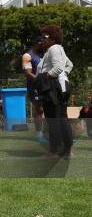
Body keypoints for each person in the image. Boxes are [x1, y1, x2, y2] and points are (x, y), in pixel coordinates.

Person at [36, 25, 73, 159]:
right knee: (61, 118)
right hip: (58, 87)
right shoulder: (57, 49)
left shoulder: (53, 49)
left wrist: (46, 77)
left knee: (54, 120)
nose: (42, 40)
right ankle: (67, 149)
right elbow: (69, 65)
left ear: (53, 38)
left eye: (45, 37)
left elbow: (58, 67)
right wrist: (64, 75)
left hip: (53, 88)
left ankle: (54, 151)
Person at [22, 38, 46, 142]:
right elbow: (28, 72)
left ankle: (50, 132)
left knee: (49, 109)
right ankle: (39, 134)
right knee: (39, 109)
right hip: (35, 87)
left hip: (47, 86)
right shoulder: (27, 55)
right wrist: (40, 79)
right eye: (44, 43)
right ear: (38, 43)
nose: (46, 45)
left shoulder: (46, 54)